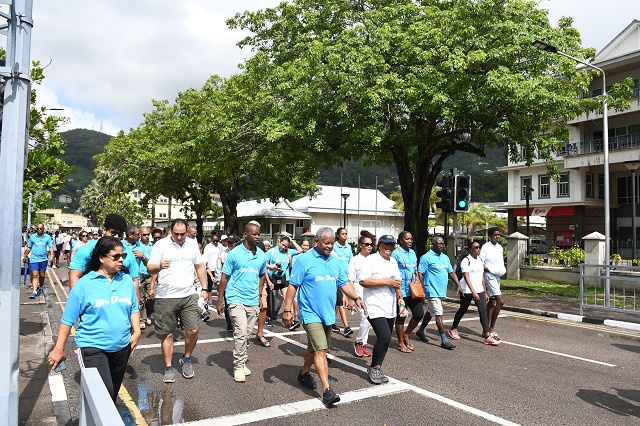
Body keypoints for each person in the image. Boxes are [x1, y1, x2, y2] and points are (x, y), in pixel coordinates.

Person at [47, 237, 141, 403]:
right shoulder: (84, 284)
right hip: (93, 348)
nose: (121, 260)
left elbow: (133, 307)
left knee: (111, 398)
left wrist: (137, 331)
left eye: (123, 256)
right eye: (116, 256)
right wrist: (58, 349)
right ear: (101, 257)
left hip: (121, 348)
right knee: (102, 398)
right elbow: (68, 319)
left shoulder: (126, 280)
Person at [282, 227, 365, 406]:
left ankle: (303, 374)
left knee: (314, 347)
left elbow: (344, 284)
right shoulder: (304, 260)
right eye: (326, 243)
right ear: (317, 242)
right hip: (310, 312)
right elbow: (292, 286)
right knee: (321, 350)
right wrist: (287, 310)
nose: (329, 246)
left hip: (327, 313)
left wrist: (356, 298)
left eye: (332, 243)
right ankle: (327, 391)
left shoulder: (335, 261)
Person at [147, 219, 209, 383]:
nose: (180, 237)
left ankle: (186, 359)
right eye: (176, 234)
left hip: (188, 294)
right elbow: (150, 268)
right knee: (168, 334)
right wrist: (160, 266)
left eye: (183, 234)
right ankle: (168, 367)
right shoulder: (160, 245)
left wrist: (204, 288)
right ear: (170, 231)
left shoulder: (192, 243)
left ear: (187, 231)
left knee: (193, 330)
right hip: (166, 296)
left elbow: (200, 266)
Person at [216, 223, 267, 382]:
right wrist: (219, 300)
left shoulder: (261, 255)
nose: (257, 236)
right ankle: (238, 366)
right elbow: (224, 277)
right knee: (240, 331)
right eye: (254, 234)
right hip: (235, 297)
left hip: (252, 299)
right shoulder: (234, 253)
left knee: (248, 334)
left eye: (258, 234)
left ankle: (243, 360)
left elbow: (262, 274)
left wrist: (260, 293)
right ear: (246, 234)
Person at [359, 234, 402, 383]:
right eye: (386, 244)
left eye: (392, 245)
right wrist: (386, 282)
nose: (389, 248)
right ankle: (374, 366)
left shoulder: (393, 261)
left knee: (385, 340)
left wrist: (400, 296)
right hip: (373, 305)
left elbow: (396, 281)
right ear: (380, 245)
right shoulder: (370, 260)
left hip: (390, 305)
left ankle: (376, 367)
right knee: (385, 337)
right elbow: (363, 281)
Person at [68, 214, 140, 301]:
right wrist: (78, 303)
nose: (117, 237)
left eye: (120, 234)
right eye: (113, 233)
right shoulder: (86, 250)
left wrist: (137, 307)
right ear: (104, 230)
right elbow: (74, 276)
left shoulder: (128, 253)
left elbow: (134, 281)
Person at [447, 240, 499, 346]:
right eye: (476, 247)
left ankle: (487, 336)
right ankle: (453, 329)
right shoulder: (466, 261)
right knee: (463, 309)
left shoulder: (480, 260)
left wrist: (484, 292)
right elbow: (466, 277)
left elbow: (481, 277)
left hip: (479, 289)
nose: (478, 249)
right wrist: (473, 292)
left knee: (483, 311)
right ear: (471, 249)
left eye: (479, 247)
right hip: (467, 290)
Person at [415, 236, 461, 350]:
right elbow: (420, 273)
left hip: (441, 291)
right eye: (438, 244)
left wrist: (459, 285)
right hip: (431, 290)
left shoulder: (445, 257)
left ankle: (420, 331)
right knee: (439, 314)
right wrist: (421, 288)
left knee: (430, 312)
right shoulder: (426, 257)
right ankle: (444, 340)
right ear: (433, 245)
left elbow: (451, 272)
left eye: (442, 244)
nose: (441, 245)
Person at [391, 231, 421, 353]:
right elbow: (392, 271)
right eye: (407, 239)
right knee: (401, 316)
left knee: (419, 314)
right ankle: (400, 342)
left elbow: (415, 269)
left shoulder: (413, 253)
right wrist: (397, 291)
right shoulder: (395, 254)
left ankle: (406, 334)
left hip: (413, 290)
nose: (409, 241)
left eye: (411, 239)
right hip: (401, 291)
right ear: (401, 240)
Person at [348, 230, 375, 357]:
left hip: (371, 296)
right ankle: (359, 342)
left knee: (369, 320)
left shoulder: (374, 260)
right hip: (359, 295)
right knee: (365, 318)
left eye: (371, 244)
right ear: (360, 245)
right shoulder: (354, 260)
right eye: (367, 244)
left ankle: (363, 344)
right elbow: (351, 280)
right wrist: (352, 298)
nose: (369, 247)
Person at [481, 228, 506, 341]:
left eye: (499, 235)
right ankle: (491, 328)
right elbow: (481, 262)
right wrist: (487, 269)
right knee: (500, 301)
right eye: (495, 235)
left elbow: (499, 262)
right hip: (489, 274)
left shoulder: (500, 247)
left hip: (497, 276)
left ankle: (484, 329)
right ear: (490, 236)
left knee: (492, 302)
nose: (497, 237)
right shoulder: (486, 247)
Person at [331, 227, 353, 336]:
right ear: (338, 235)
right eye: (343, 234)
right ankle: (346, 326)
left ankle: (331, 322)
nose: (345, 236)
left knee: (337, 301)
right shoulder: (334, 246)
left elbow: (351, 262)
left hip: (345, 277)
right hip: (335, 277)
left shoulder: (349, 247)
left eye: (346, 234)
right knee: (340, 299)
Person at [23, 224, 54, 299]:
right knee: (35, 275)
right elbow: (29, 247)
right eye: (38, 228)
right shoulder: (32, 237)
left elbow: (50, 247)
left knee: (42, 275)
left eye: (41, 228)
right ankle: (34, 291)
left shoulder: (47, 237)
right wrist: (25, 256)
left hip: (43, 259)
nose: (39, 230)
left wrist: (52, 255)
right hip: (34, 259)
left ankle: (41, 287)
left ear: (43, 229)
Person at [134, 226, 154, 329]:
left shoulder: (152, 246)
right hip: (139, 274)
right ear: (140, 235)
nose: (146, 236)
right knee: (140, 298)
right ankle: (141, 319)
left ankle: (149, 315)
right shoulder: (137, 245)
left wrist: (143, 256)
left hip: (149, 274)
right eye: (144, 234)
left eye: (148, 234)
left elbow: (153, 261)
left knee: (151, 297)